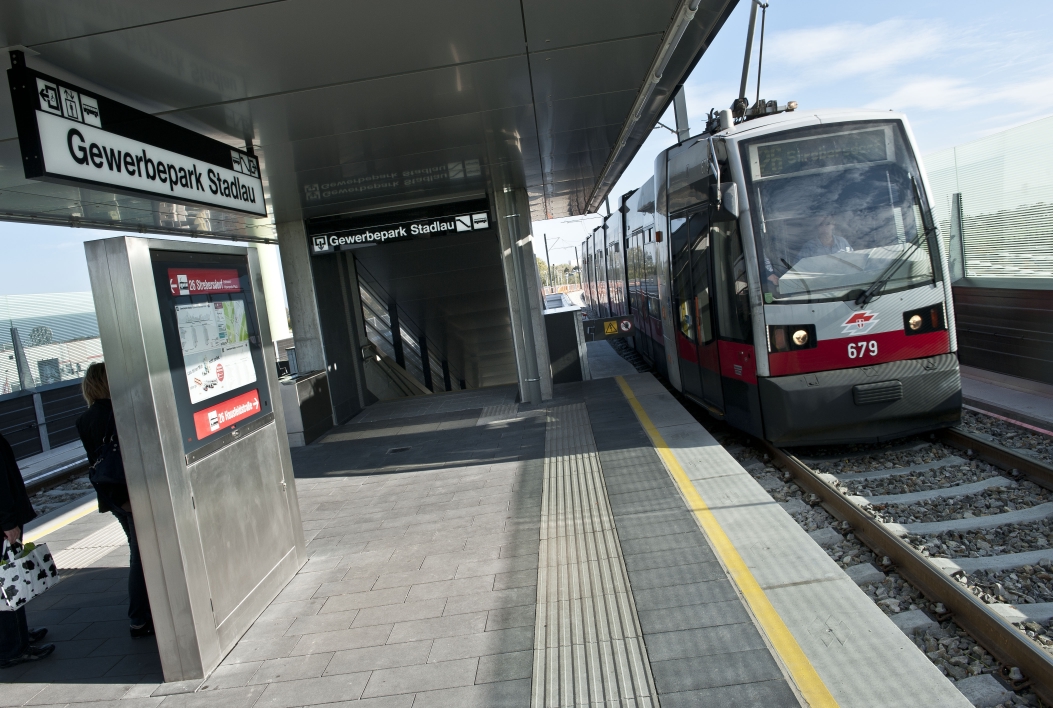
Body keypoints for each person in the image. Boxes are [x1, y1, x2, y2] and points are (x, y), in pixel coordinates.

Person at [76, 363, 153, 638]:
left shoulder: (85, 418)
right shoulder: (120, 413)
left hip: (111, 495)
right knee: (141, 554)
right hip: (130, 492)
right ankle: (139, 617)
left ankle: (144, 613)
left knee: (139, 550)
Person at [0, 432, 55, 668]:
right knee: (7, 583)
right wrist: (7, 522)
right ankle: (12, 647)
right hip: (2, 524)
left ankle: (18, 635)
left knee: (11, 578)